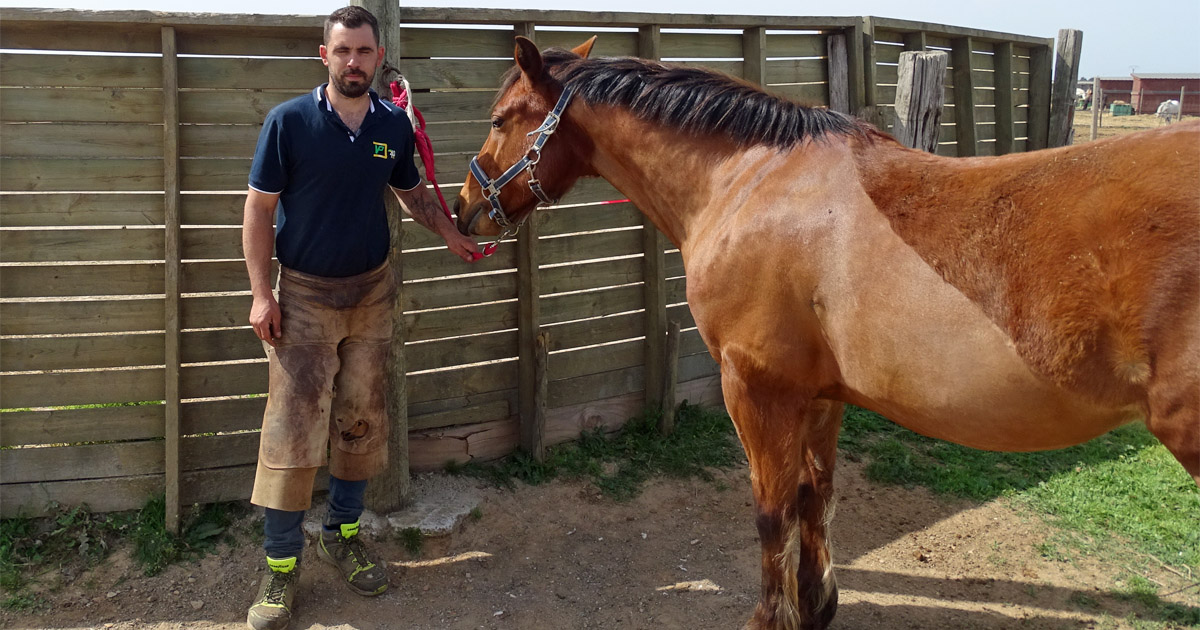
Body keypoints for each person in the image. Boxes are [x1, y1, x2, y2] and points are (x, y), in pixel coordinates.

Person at [241, 6, 478, 629]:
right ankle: (280, 568)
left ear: (379, 57)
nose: (354, 62)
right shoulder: (289, 122)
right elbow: (259, 210)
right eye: (343, 50)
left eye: (364, 51)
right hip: (304, 299)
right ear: (325, 55)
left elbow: (411, 192)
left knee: (361, 421)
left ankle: (341, 536)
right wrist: (262, 295)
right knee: (293, 433)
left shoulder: (392, 124)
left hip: (371, 295)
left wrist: (450, 233)